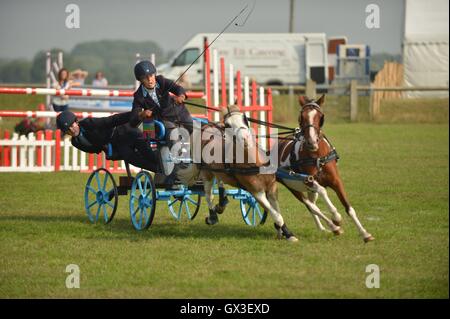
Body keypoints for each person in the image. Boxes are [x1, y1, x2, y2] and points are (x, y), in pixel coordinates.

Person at [56, 110, 159, 172]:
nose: (71, 130)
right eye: (67, 130)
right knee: (131, 158)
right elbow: (94, 150)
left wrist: (136, 115)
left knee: (145, 148)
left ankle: (163, 166)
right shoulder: (75, 142)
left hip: (123, 132)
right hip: (116, 145)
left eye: (71, 126)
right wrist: (104, 146)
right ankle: (159, 170)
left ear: (76, 122)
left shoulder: (88, 123)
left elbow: (110, 121)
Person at [130, 60, 193, 135]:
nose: (149, 80)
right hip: (160, 123)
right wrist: (142, 114)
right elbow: (133, 119)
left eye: (151, 75)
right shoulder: (138, 95)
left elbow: (177, 88)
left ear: (155, 75)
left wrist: (181, 96)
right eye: (144, 78)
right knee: (172, 134)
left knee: (201, 130)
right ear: (140, 80)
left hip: (179, 115)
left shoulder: (161, 80)